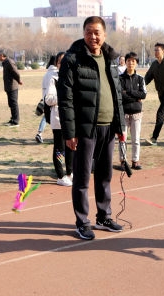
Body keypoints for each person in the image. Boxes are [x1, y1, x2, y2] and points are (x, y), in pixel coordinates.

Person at [57, 16, 126, 240]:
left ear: (104, 34)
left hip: (108, 127)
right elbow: (65, 99)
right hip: (85, 129)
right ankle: (82, 222)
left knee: (105, 175)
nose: (93, 36)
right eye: (89, 32)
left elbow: (117, 94)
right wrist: (70, 132)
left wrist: (120, 125)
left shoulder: (110, 58)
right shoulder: (72, 59)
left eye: (97, 32)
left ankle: (104, 217)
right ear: (83, 33)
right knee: (82, 178)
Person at [44, 52, 73, 187]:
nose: (64, 64)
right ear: (57, 64)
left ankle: (70, 172)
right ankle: (60, 175)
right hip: (58, 117)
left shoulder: (72, 77)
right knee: (60, 147)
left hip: (71, 118)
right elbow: (48, 99)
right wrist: (63, 98)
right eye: (61, 62)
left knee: (71, 146)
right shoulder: (53, 78)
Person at [119, 51, 147, 170]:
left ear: (136, 63)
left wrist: (129, 92)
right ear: (125, 62)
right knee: (123, 139)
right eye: (129, 61)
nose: (131, 63)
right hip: (123, 113)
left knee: (136, 139)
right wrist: (136, 97)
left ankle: (135, 161)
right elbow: (120, 95)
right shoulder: (120, 78)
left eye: (133, 61)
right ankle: (123, 161)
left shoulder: (140, 79)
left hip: (136, 113)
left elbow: (143, 94)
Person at [35, 57, 58, 144]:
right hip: (54, 99)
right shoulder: (55, 74)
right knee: (54, 119)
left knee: (46, 117)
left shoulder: (46, 74)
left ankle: (40, 133)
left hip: (46, 98)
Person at [0, 49, 23, 127]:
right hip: (8, 86)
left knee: (13, 103)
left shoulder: (9, 62)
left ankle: (16, 121)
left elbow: (16, 72)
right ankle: (13, 119)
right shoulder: (5, 62)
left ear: (2, 55)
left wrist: (18, 80)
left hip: (12, 86)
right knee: (11, 103)